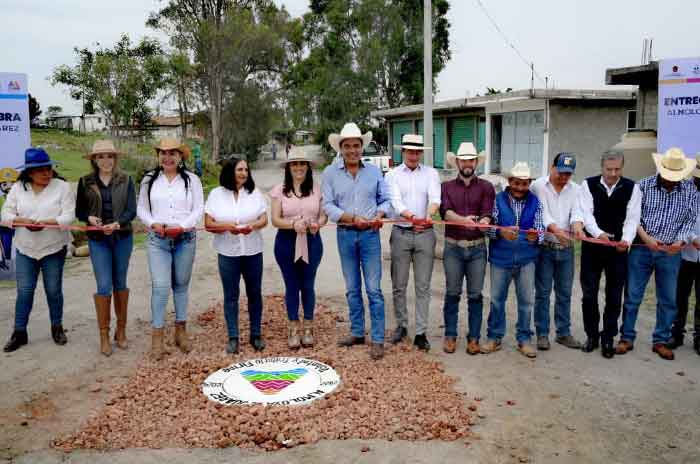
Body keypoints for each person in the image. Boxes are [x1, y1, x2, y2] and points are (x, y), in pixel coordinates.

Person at [618, 148, 698, 360]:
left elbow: (690, 221)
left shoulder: (690, 192)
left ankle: (660, 340)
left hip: (671, 252)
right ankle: (626, 337)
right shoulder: (642, 186)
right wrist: (646, 239)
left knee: (668, 299)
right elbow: (634, 216)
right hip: (642, 249)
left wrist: (680, 241)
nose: (671, 181)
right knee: (633, 296)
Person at [322, 122, 392, 360]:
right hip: (345, 233)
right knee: (352, 288)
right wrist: (352, 218)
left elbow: (385, 199)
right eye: (348, 146)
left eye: (356, 145)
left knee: (373, 289)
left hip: (370, 235)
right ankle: (357, 331)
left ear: (363, 147)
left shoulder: (373, 171)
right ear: (340, 148)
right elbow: (327, 205)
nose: (352, 150)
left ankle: (379, 339)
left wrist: (380, 215)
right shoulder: (330, 173)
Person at [2, 148, 75, 352]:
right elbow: (5, 214)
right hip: (25, 247)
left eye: (48, 168)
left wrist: (49, 222)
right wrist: (20, 220)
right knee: (24, 291)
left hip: (53, 247)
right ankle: (19, 332)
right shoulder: (17, 188)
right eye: (40, 170)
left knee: (53, 289)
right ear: (29, 172)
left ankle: (57, 327)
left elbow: (69, 216)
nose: (46, 173)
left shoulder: (63, 187)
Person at [137, 138, 204, 360]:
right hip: (158, 238)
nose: (167, 157)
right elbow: (142, 209)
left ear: (180, 156)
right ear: (158, 156)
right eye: (163, 153)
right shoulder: (149, 180)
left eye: (172, 153)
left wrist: (183, 226)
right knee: (161, 286)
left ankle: (180, 332)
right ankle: (157, 337)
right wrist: (153, 223)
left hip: (185, 238)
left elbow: (198, 209)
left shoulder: (192, 180)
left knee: (181, 285)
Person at [573, 150, 641, 358]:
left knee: (614, 295)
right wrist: (599, 233)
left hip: (618, 250)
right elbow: (586, 213)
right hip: (593, 247)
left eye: (617, 169)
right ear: (602, 167)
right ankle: (592, 335)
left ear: (622, 167)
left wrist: (627, 241)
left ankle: (608, 337)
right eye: (608, 169)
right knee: (589, 294)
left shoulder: (632, 187)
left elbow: (632, 218)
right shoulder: (588, 184)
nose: (612, 173)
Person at [76, 140, 137, 357]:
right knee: (104, 285)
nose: (106, 161)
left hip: (121, 236)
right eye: (100, 157)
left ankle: (120, 332)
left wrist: (118, 223)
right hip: (97, 238)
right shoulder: (85, 181)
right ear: (94, 159)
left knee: (120, 282)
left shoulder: (126, 179)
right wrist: (89, 218)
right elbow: (80, 211)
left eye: (109, 156)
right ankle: (104, 335)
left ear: (115, 158)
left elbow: (132, 210)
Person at [205, 158, 268, 354]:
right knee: (231, 295)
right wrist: (227, 228)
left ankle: (255, 334)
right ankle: (233, 337)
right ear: (230, 171)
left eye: (246, 170)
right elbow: (208, 223)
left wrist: (253, 227)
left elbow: (264, 219)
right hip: (227, 253)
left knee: (254, 293)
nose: (244, 173)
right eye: (240, 169)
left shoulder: (254, 193)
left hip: (252, 251)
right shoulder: (216, 194)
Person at [384, 134, 440, 351]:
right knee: (399, 284)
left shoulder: (431, 173)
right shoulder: (393, 175)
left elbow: (435, 199)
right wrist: (411, 217)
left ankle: (421, 332)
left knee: (423, 286)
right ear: (403, 152)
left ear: (421, 153)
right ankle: (401, 325)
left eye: (417, 151)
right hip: (401, 231)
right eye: (410, 151)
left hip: (425, 233)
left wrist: (426, 217)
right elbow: (395, 201)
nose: (413, 155)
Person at [483, 162, 545, 358]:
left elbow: (540, 229)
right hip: (500, 259)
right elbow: (488, 228)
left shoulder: (536, 202)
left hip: (527, 259)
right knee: (496, 300)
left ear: (529, 183)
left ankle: (524, 339)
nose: (520, 187)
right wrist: (500, 233)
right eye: (517, 183)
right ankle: (494, 337)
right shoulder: (497, 200)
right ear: (510, 181)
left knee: (526, 301)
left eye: (524, 183)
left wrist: (537, 236)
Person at [440, 142, 495, 355]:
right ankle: (450, 335)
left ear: (475, 162)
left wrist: (483, 220)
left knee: (475, 295)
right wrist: (464, 220)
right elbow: (445, 212)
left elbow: (488, 212)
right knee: (452, 293)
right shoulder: (446, 187)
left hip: (477, 248)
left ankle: (474, 338)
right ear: (457, 163)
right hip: (453, 247)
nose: (467, 164)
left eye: (471, 160)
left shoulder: (487, 187)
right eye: (463, 160)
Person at [270, 148, 326, 349]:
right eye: (295, 164)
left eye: (302, 163)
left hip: (311, 240)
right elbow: (275, 219)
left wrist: (318, 223)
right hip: (286, 241)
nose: (299, 167)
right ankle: (293, 327)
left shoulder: (317, 189)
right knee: (292, 285)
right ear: (288, 167)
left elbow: (323, 215)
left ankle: (309, 327)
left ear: (308, 167)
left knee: (308, 284)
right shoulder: (279, 190)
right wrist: (292, 224)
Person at [530, 153, 583, 351]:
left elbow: (578, 211)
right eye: (560, 172)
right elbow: (541, 212)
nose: (563, 177)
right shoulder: (538, 186)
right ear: (552, 167)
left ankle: (563, 332)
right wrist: (556, 230)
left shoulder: (576, 189)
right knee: (542, 293)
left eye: (568, 174)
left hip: (567, 248)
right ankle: (542, 333)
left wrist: (577, 225)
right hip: (546, 247)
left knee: (564, 293)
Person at [668, 154, 700, 355]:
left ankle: (699, 337)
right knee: (679, 296)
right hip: (684, 253)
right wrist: (693, 238)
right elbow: (679, 220)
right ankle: (676, 332)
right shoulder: (684, 190)